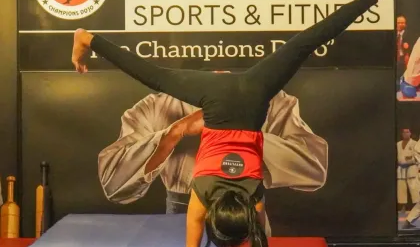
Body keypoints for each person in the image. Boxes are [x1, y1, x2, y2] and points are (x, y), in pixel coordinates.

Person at [71, 0, 391, 247]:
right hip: (221, 99)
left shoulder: (254, 198)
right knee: (156, 75)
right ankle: (88, 38)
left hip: (252, 93)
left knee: (304, 42)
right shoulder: (203, 193)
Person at [97, 90, 329, 225]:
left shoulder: (273, 101)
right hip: (181, 213)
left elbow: (314, 170)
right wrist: (173, 134)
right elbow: (114, 185)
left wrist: (240, 133)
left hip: (247, 207)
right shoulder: (156, 106)